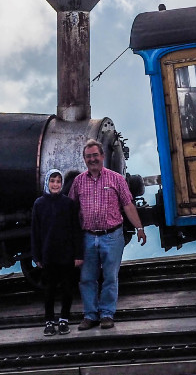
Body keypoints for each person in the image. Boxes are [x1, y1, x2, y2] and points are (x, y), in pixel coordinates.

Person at [68, 139, 147, 331]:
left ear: (102, 156)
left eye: (95, 155)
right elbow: (70, 210)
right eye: (89, 156)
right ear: (84, 160)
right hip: (88, 236)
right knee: (87, 278)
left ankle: (107, 314)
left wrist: (139, 228)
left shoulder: (116, 179)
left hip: (112, 236)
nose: (92, 159)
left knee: (110, 277)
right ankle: (90, 315)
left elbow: (128, 205)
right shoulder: (78, 182)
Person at [30, 169, 83, 335]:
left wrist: (78, 254)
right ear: (47, 183)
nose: (55, 184)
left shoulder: (68, 204)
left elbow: (76, 230)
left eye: (58, 181)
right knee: (49, 290)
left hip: (66, 254)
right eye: (52, 181)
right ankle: (49, 321)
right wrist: (36, 255)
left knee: (67, 289)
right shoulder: (39, 204)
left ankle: (64, 320)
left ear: (62, 184)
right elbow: (35, 232)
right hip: (48, 255)